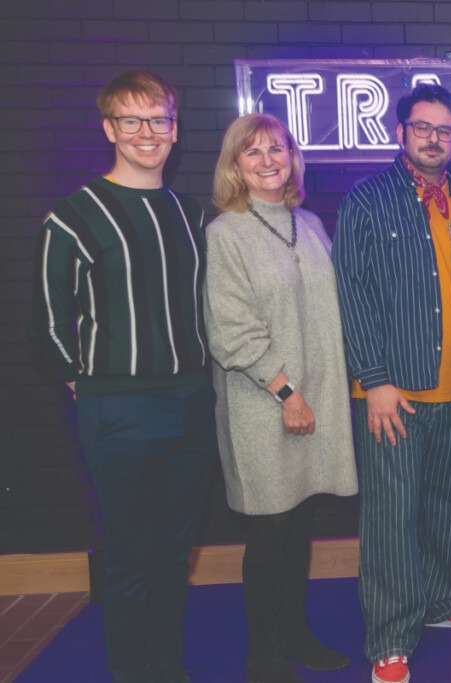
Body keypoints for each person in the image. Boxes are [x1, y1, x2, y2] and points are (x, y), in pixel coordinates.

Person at [28, 69, 215, 683]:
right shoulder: (74, 214)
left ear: (174, 128)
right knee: (133, 558)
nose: (146, 132)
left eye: (158, 119)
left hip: (191, 404)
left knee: (172, 555)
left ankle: (170, 669)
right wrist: (88, 384)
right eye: (130, 120)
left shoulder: (191, 214)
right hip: (120, 410)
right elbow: (50, 322)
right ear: (109, 128)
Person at [332, 84, 451, 683]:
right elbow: (350, 293)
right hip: (391, 395)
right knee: (390, 518)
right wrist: (374, 380)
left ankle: (440, 601)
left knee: (450, 506)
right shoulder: (367, 200)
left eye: (446, 130)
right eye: (423, 127)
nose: (435, 138)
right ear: (400, 132)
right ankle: (390, 638)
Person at [203, 113, 358, 683]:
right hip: (264, 407)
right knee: (268, 533)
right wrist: (287, 393)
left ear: (293, 158)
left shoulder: (310, 223)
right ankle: (263, 652)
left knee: (298, 529)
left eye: (278, 149)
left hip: (316, 405)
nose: (269, 160)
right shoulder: (226, 234)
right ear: (234, 167)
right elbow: (231, 331)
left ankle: (296, 633)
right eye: (253, 153)